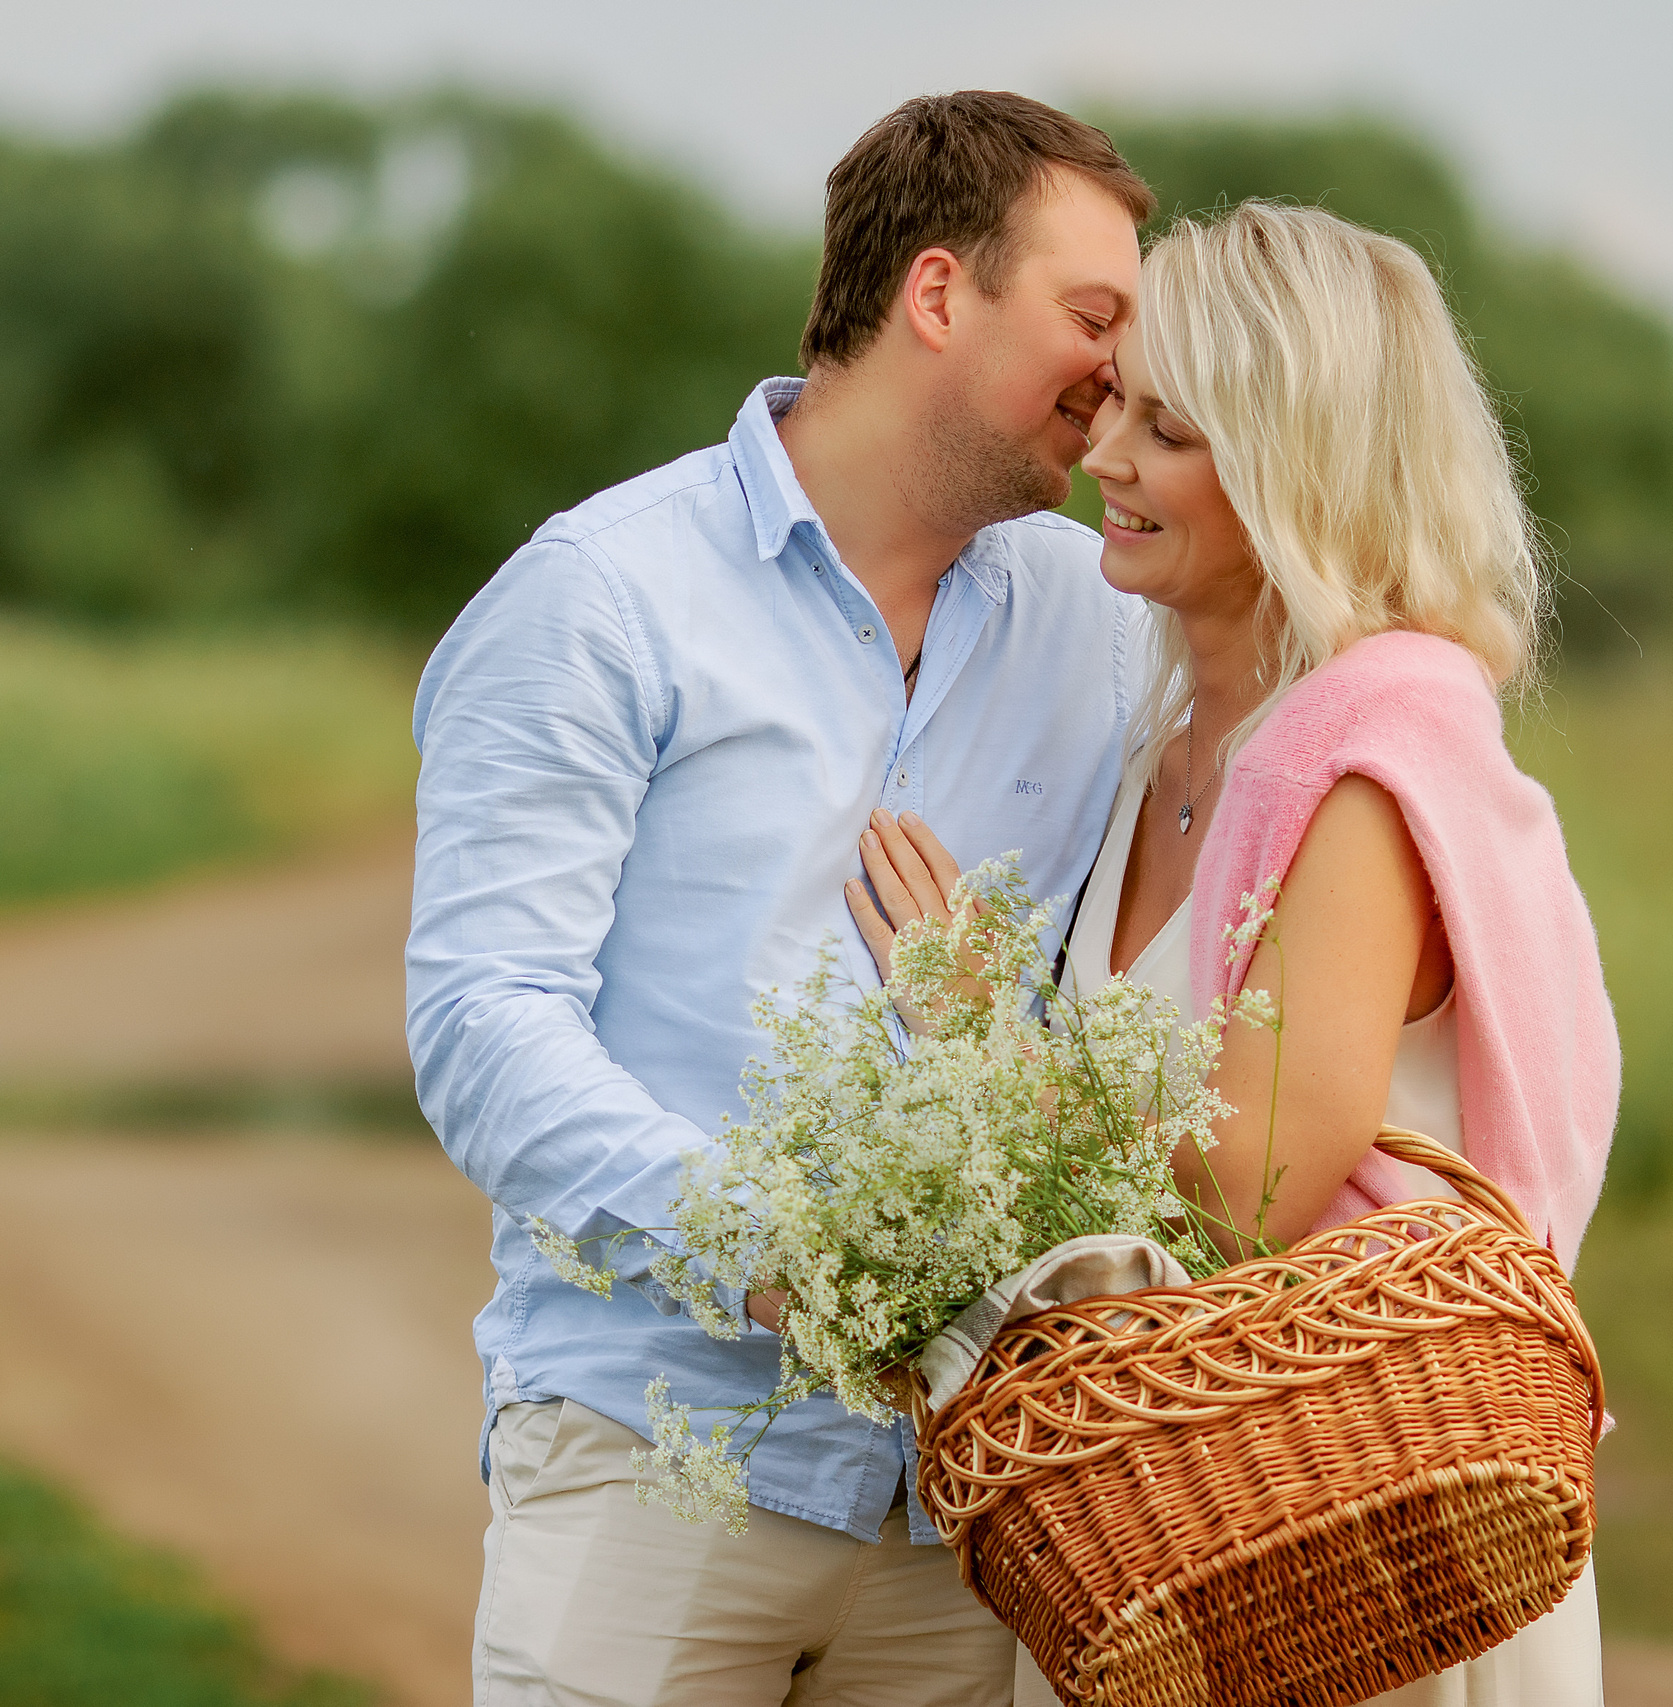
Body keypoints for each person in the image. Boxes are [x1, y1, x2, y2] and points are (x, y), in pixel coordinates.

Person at [408, 92, 1157, 1705]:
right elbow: (482, 1023)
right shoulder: (603, 597)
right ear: (940, 292)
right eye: (1095, 316)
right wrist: (772, 1251)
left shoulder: (1103, 622)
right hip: (653, 1465)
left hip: (972, 1510)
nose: (1124, 371)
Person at [850, 202, 1621, 1706]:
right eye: (1115, 406)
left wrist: (980, 1036)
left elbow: (1247, 1183)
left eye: (1171, 431)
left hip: (1361, 1548)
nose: (1106, 458)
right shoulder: (1163, 755)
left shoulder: (1363, 763)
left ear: (1298, 466)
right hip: (1187, 1537)